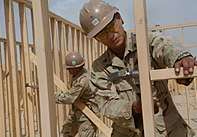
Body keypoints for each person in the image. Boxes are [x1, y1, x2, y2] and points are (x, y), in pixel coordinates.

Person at [79, 0, 197, 137]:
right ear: (96, 39)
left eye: (111, 26)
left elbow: (163, 47)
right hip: (127, 132)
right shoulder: (99, 68)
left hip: (167, 128)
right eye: (102, 34)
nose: (110, 36)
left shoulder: (145, 42)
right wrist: (134, 108)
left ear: (120, 18)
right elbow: (105, 104)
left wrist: (180, 58)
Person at [55, 52, 98, 137]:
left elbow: (69, 98)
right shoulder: (77, 75)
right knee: (66, 131)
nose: (69, 71)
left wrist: (53, 96)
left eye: (71, 69)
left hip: (88, 114)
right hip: (77, 109)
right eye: (68, 68)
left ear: (78, 68)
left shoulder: (83, 80)